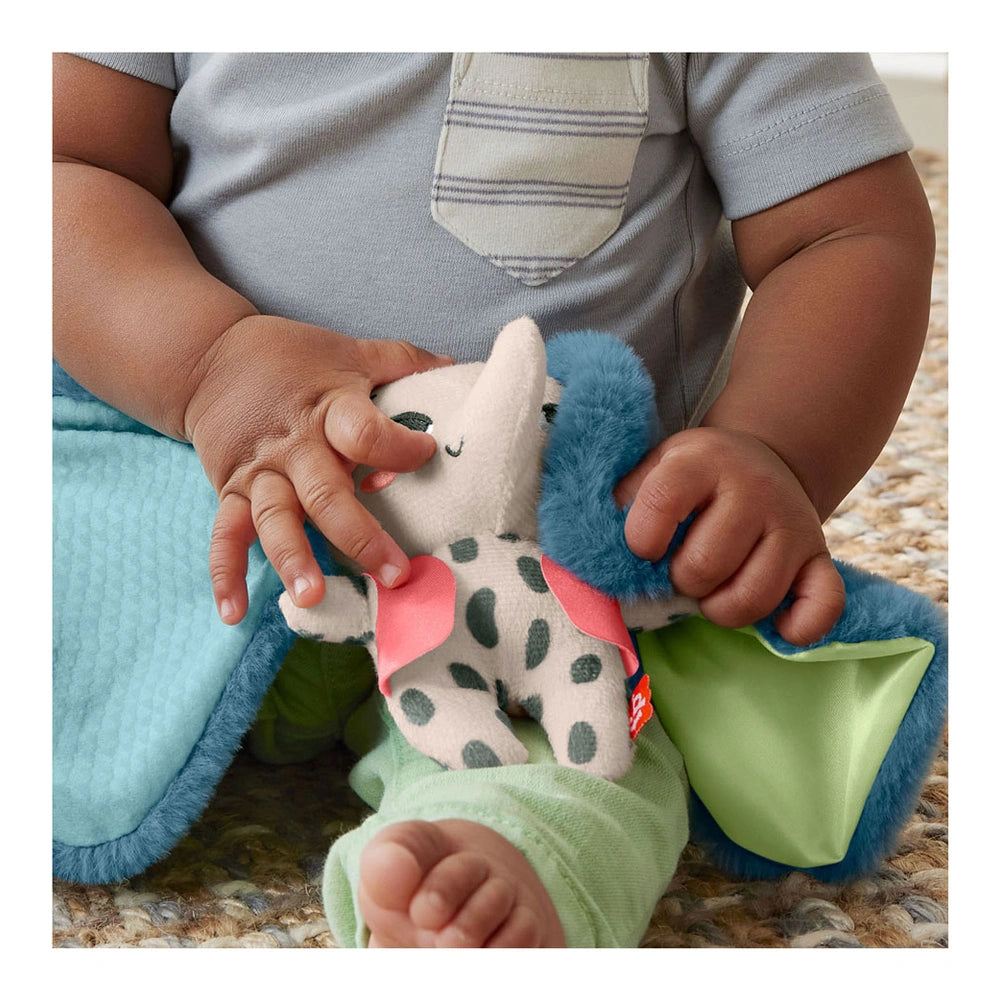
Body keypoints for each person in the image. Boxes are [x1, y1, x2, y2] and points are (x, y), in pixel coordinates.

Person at [52, 52, 935, 947]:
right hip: (200, 474)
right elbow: (65, 164)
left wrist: (771, 446)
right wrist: (210, 364)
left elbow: (843, 231)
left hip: (544, 566)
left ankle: (496, 854)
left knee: (599, 738)